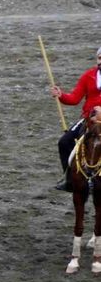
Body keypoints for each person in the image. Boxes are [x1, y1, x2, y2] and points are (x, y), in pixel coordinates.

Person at [50, 46, 101, 192]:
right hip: (88, 119)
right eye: (100, 58)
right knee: (64, 142)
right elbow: (74, 98)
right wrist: (61, 95)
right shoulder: (88, 76)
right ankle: (70, 180)